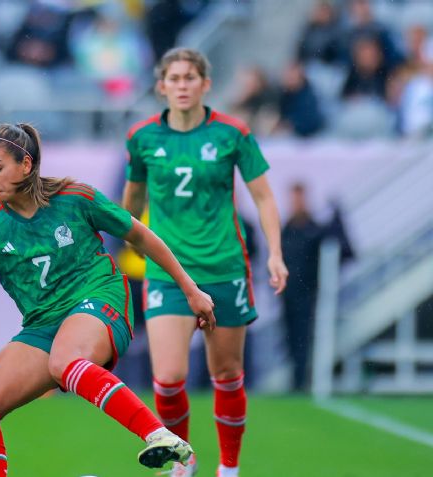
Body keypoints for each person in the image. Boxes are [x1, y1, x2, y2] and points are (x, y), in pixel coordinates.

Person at [0, 123, 216, 476]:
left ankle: (161, 436)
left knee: (65, 359)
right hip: (44, 324)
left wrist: (191, 290)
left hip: (99, 298)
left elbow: (143, 236)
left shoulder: (75, 198)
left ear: (25, 165)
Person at [122, 48, 288, 477]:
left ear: (205, 85)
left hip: (223, 268)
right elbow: (130, 203)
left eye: (189, 78)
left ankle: (228, 468)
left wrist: (274, 252)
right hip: (168, 273)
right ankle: (183, 461)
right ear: (161, 86)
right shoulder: (143, 138)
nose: (181, 85)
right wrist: (129, 243)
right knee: (169, 377)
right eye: (173, 78)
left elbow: (264, 196)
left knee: (227, 373)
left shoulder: (233, 133)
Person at [281, 183, 354, 392]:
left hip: (308, 296)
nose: (296, 204)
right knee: (291, 340)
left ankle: (303, 382)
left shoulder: (315, 229)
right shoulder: (286, 229)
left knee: (305, 339)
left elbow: (345, 248)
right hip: (287, 296)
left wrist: (338, 215)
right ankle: (296, 381)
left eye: (299, 199)